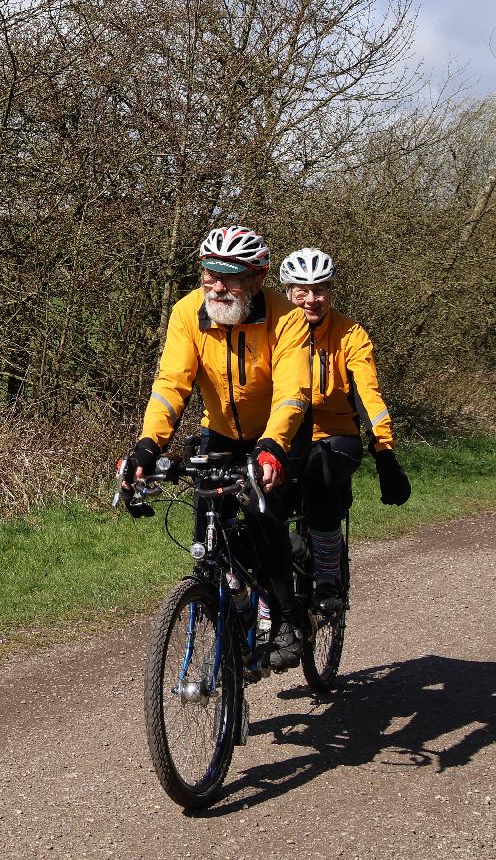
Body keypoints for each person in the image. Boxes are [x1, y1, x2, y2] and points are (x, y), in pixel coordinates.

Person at [121, 225, 313, 671]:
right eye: (210, 274)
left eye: (229, 276)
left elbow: (293, 392)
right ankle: (238, 609)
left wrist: (272, 447)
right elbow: (172, 384)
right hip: (221, 433)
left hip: (278, 435)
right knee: (207, 539)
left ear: (257, 279)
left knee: (264, 523)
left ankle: (285, 619)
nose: (217, 286)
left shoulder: (286, 320)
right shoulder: (189, 312)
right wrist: (148, 445)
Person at [274, 247, 411, 612]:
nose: (311, 299)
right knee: (266, 503)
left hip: (334, 435)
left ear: (331, 291)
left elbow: (369, 398)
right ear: (286, 292)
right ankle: (271, 598)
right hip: (283, 435)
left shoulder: (350, 334)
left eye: (319, 289)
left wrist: (385, 453)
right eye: (301, 291)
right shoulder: (272, 333)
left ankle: (328, 581)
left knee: (320, 482)